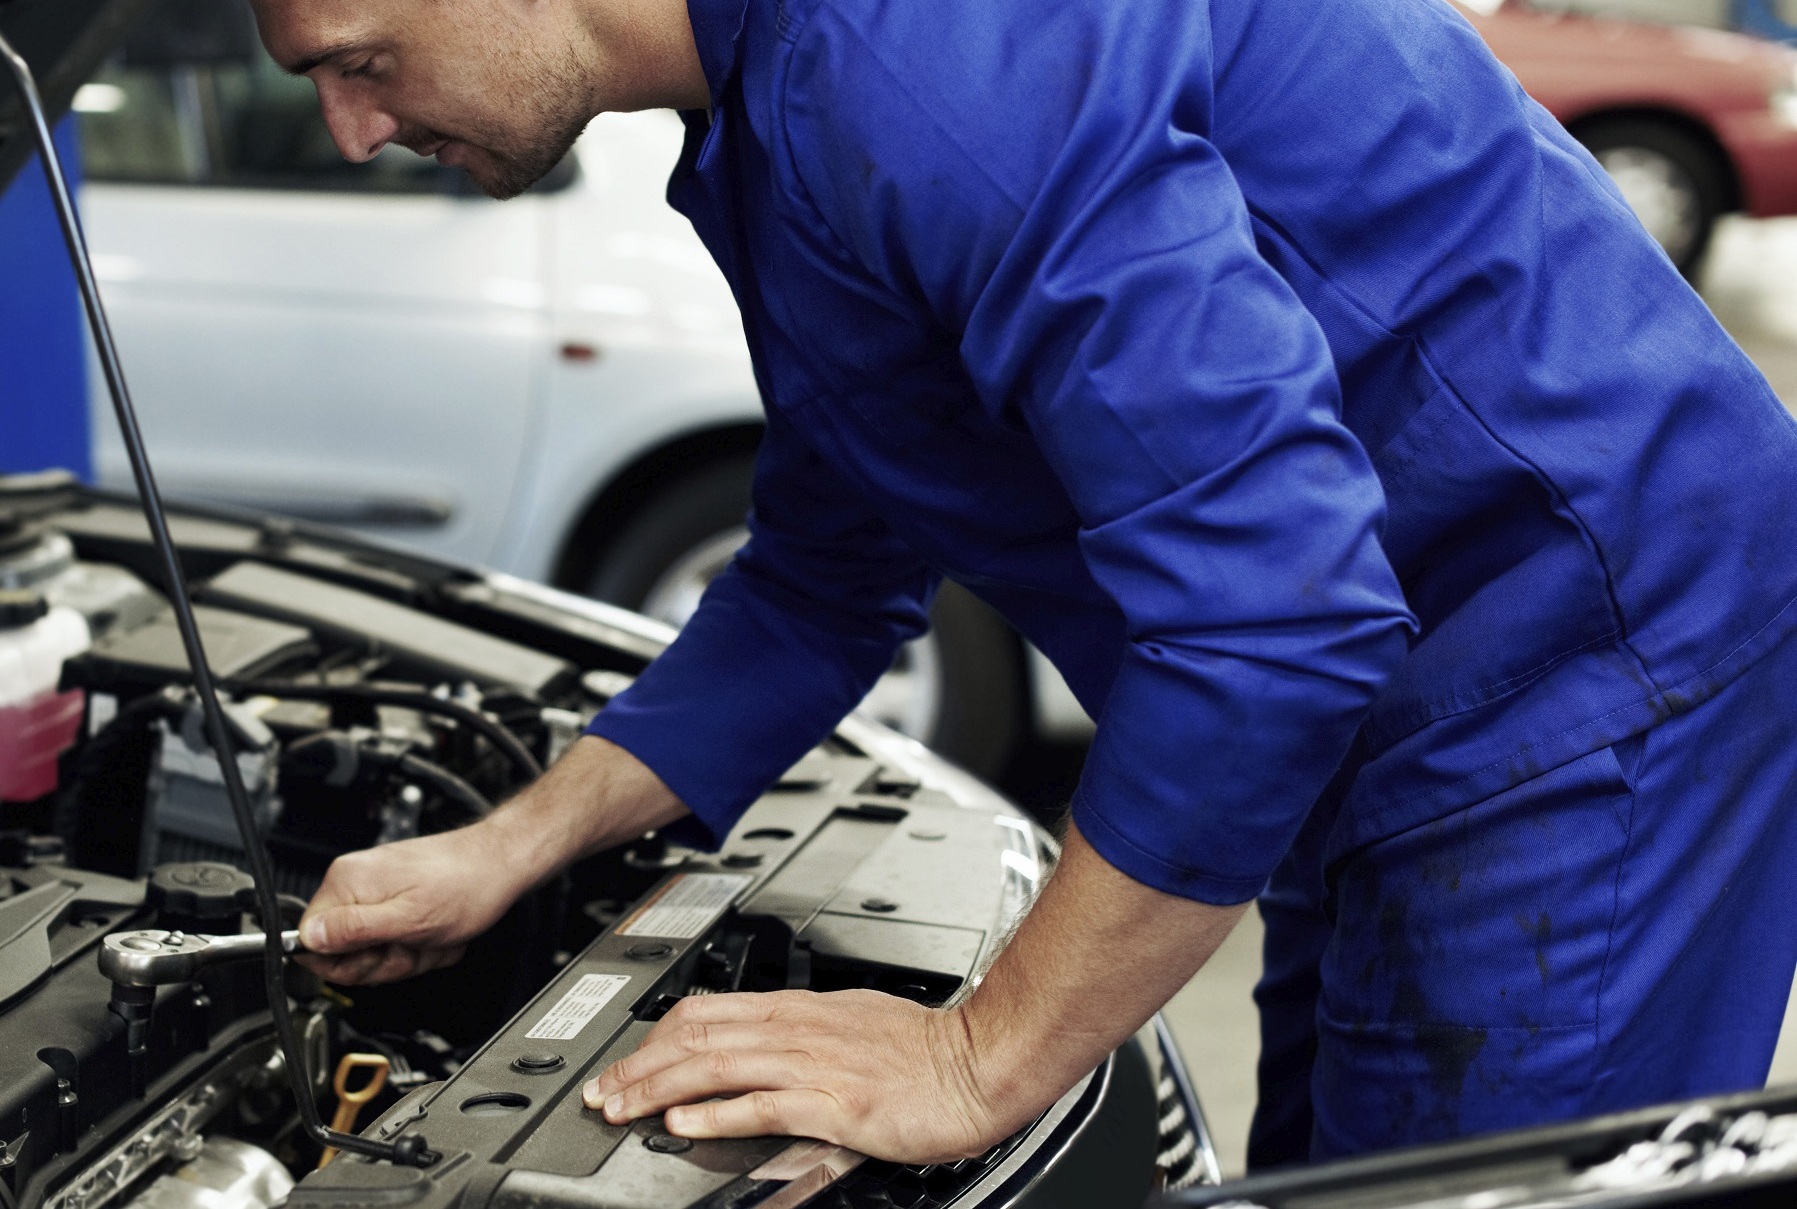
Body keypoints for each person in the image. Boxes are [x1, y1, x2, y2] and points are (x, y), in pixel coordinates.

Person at [251, 0, 1797, 1166]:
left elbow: (1274, 619)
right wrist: (509, 847)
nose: (349, 128)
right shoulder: (780, 114)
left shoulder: (923, 58)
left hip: (1584, 666)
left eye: (359, 57)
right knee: (1336, 1170)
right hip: (1392, 704)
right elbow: (815, 576)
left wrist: (977, 1056)